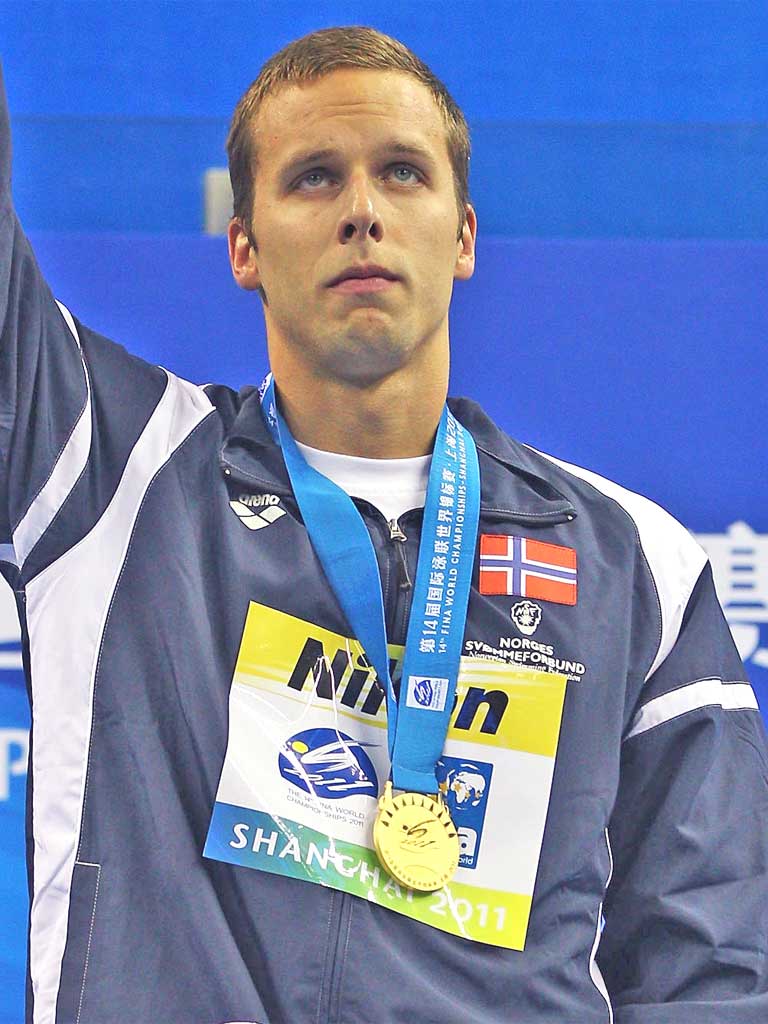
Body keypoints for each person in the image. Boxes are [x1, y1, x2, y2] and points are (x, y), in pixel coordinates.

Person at [1, 24, 767, 1024]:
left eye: (403, 174)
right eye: (314, 178)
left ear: (463, 236)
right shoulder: (110, 473)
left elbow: (708, 973)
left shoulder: (637, 565)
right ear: (243, 243)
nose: (362, 211)